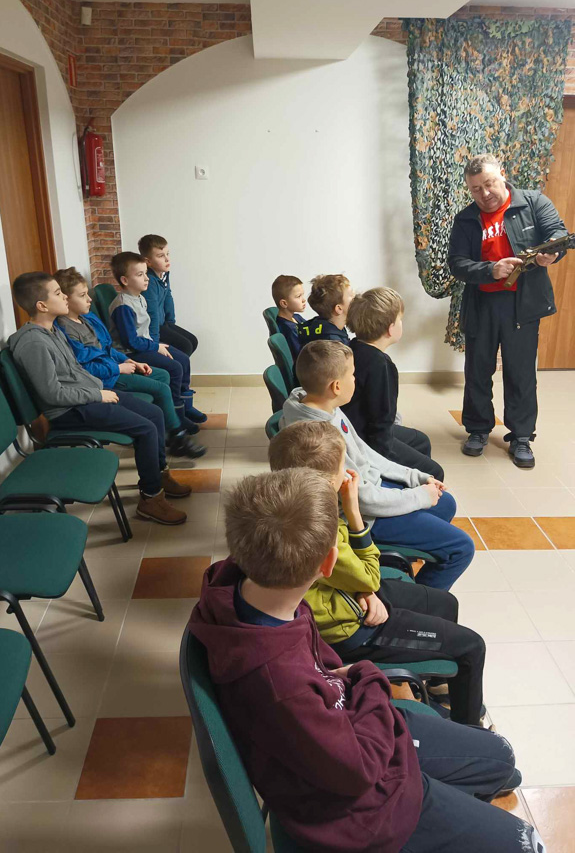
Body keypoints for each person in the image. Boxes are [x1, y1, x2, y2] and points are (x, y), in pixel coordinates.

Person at [189, 467, 544, 853]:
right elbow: (357, 770)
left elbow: (324, 671)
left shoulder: (249, 592)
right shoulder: (280, 684)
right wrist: (369, 676)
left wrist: (351, 682)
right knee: (529, 843)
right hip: (364, 808)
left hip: (351, 727)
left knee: (502, 757)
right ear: (329, 566)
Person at [269, 420, 486, 725]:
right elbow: (367, 573)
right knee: (472, 647)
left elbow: (349, 575)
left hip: (350, 594)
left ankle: (435, 680)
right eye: (342, 467)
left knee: (445, 604)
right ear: (329, 480)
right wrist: (355, 512)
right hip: (352, 626)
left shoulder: (302, 504)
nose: (348, 473)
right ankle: (469, 727)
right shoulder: (321, 526)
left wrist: (363, 588)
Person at [281, 341, 475, 590]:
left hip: (369, 494)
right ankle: (419, 601)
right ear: (336, 386)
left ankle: (402, 563)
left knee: (445, 502)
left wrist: (414, 477)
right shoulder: (318, 434)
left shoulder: (319, 405)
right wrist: (417, 497)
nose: (356, 378)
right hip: (361, 516)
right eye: (352, 374)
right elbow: (363, 500)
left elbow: (366, 453)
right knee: (461, 548)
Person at [9, 272, 191, 526]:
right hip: (69, 410)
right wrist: (98, 394)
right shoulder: (33, 343)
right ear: (42, 305)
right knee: (146, 428)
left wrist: (103, 385)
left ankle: (158, 476)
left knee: (155, 414)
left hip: (87, 395)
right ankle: (151, 499)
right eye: (57, 293)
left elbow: (76, 370)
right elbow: (52, 394)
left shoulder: (52, 331)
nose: (63, 296)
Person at [448, 153, 567, 468]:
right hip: (482, 303)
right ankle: (477, 429)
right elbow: (457, 264)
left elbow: (557, 233)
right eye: (476, 189)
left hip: (523, 304)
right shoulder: (466, 219)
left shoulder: (533, 203)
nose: (484, 194)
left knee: (521, 372)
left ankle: (522, 436)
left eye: (489, 184)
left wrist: (551, 253)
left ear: (502, 174)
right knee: (477, 371)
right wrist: (491, 270)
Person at [54, 268, 205, 459]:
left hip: (116, 366)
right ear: (65, 299)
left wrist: (128, 360)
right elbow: (84, 366)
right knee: (161, 388)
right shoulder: (65, 330)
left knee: (163, 375)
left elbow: (107, 347)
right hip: (106, 379)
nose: (89, 299)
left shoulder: (88, 317)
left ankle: (170, 427)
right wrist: (119, 368)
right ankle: (177, 435)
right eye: (83, 295)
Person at [343, 287, 444, 480]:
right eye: (400, 320)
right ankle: (411, 498)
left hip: (358, 430)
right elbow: (381, 424)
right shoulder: (381, 366)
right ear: (391, 328)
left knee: (421, 441)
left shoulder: (353, 348)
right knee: (434, 472)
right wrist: (385, 466)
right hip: (365, 442)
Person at [107, 251, 207, 424]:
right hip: (131, 354)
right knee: (175, 368)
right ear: (125, 280)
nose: (146, 278)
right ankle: (177, 416)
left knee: (183, 359)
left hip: (144, 346)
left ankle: (185, 407)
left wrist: (155, 344)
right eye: (140, 275)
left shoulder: (139, 298)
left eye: (146, 273)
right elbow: (130, 341)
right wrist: (155, 347)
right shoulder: (123, 306)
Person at [138, 233, 198, 357]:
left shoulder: (164, 274)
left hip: (163, 323)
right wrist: (154, 342)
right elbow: (152, 311)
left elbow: (168, 297)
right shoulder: (149, 280)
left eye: (168, 254)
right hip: (152, 327)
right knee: (185, 345)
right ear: (148, 262)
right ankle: (176, 371)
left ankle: (182, 367)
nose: (167, 259)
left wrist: (171, 322)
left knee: (192, 341)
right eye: (160, 256)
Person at [297, 273, 353, 348]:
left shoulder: (328, 328)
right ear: (339, 308)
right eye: (351, 296)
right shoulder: (332, 343)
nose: (356, 299)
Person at [271, 274, 306, 361]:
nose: (303, 300)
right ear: (284, 303)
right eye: (298, 296)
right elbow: (302, 356)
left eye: (303, 295)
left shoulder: (297, 317)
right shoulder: (289, 329)